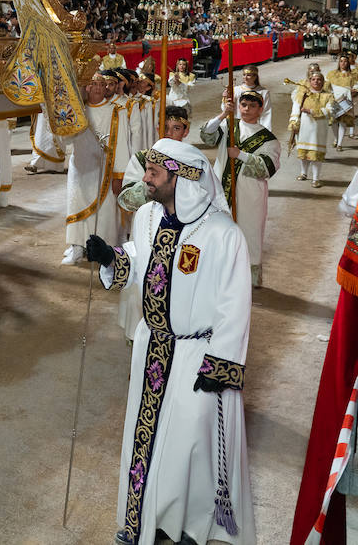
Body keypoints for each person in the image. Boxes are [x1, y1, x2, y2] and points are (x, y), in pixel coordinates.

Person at [85, 138, 254, 545]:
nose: (145, 180)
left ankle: (190, 523)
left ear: (182, 179)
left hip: (198, 353)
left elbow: (236, 304)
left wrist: (222, 365)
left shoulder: (223, 234)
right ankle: (145, 520)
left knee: (188, 440)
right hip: (152, 348)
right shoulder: (146, 216)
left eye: (154, 173)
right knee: (148, 437)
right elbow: (138, 259)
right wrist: (111, 257)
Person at [199, 91, 280, 287]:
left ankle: (247, 279)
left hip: (249, 195)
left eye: (252, 106)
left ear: (261, 109)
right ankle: (215, 271)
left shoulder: (269, 140)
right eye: (243, 104)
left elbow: (267, 168)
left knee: (248, 233)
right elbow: (207, 136)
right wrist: (223, 115)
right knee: (217, 230)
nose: (246, 109)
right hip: (220, 191)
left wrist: (241, 155)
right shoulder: (229, 126)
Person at [64, 73, 126, 264]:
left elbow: (122, 143)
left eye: (101, 84)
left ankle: (102, 248)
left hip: (105, 168)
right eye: (93, 84)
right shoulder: (78, 111)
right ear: (86, 88)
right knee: (76, 204)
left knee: (105, 209)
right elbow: (66, 139)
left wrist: (119, 175)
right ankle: (76, 246)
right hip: (80, 166)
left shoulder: (116, 111)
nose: (97, 87)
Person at [289, 65, 336, 186]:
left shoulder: (328, 96)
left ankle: (316, 178)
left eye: (319, 79)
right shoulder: (303, 95)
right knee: (303, 152)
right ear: (309, 81)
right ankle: (303, 173)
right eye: (313, 79)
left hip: (319, 128)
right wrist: (294, 122)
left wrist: (312, 112)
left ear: (323, 82)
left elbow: (330, 110)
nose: (316, 81)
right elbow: (296, 108)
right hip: (305, 127)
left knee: (316, 153)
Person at [326, 52, 358, 150]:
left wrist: (355, 90)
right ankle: (336, 138)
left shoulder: (353, 75)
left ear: (348, 63)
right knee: (334, 123)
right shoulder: (331, 74)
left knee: (343, 122)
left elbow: (357, 86)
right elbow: (326, 86)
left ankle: (339, 144)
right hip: (334, 100)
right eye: (341, 61)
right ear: (338, 63)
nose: (343, 63)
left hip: (346, 101)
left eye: (345, 61)